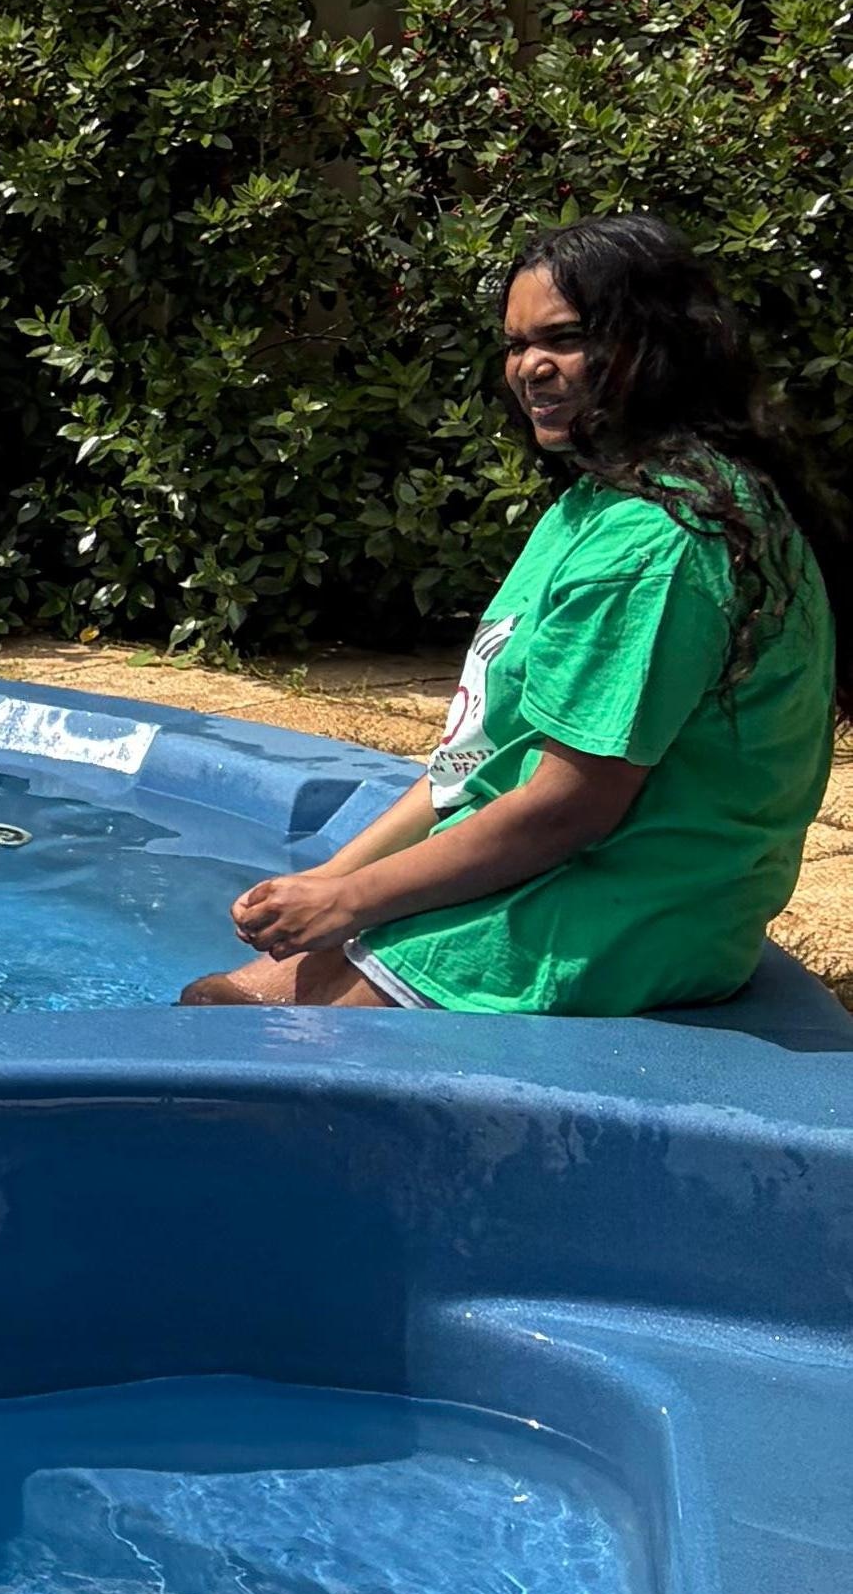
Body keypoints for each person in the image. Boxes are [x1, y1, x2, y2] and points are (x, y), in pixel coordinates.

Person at [187, 218, 840, 1016]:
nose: (531, 367)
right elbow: (468, 765)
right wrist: (331, 880)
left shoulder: (657, 539)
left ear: (659, 343)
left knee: (223, 1028)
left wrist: (354, 902)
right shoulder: (602, 504)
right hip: (562, 880)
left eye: (563, 338)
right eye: (515, 344)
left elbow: (571, 806)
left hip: (611, 917)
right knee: (215, 1003)